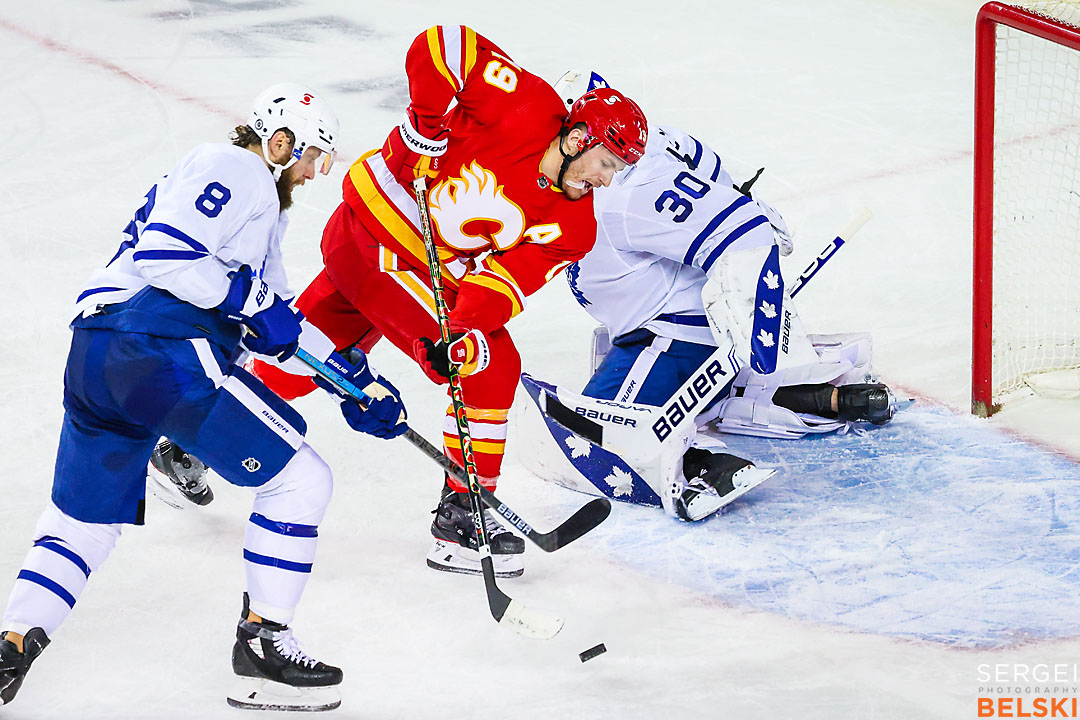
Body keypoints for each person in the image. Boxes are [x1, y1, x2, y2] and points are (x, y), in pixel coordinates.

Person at [0, 83, 408, 712]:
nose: (308, 175)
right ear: (280, 141)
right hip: (156, 348)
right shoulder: (235, 168)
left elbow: (269, 327)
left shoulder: (255, 211)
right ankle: (263, 651)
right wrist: (252, 305)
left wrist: (352, 378)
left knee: (83, 521)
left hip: (99, 359)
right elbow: (167, 256)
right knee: (300, 482)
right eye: (309, 158)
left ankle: (12, 643)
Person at [229, 26, 648, 579]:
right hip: (372, 234)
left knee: (309, 352)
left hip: (404, 267)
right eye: (606, 162)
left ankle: (189, 430)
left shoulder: (574, 227)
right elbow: (440, 45)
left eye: (616, 170)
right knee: (495, 368)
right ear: (578, 138)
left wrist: (463, 330)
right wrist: (427, 130)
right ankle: (462, 517)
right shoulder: (526, 103)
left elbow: (502, 283)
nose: (606, 179)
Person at [520, 71, 897, 522]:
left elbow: (743, 232)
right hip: (676, 323)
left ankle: (701, 463)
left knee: (591, 439)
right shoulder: (649, 142)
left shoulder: (620, 193)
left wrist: (744, 230)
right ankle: (792, 392)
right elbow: (713, 168)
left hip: (669, 333)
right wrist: (735, 201)